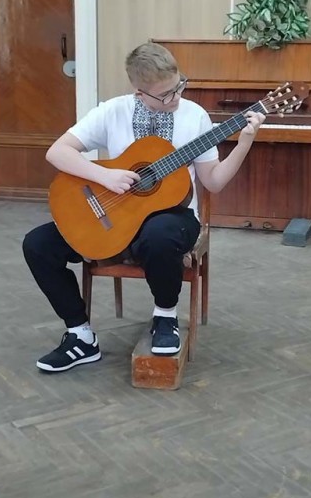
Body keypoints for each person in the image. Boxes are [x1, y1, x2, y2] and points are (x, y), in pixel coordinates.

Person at [22, 41, 265, 372]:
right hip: (116, 217)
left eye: (179, 86)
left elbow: (214, 182)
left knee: (159, 234)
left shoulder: (195, 116)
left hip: (175, 219)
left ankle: (165, 316)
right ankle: (80, 336)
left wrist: (245, 142)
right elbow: (57, 152)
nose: (175, 97)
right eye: (165, 95)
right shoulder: (113, 111)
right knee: (37, 244)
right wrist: (104, 176)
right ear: (139, 93)